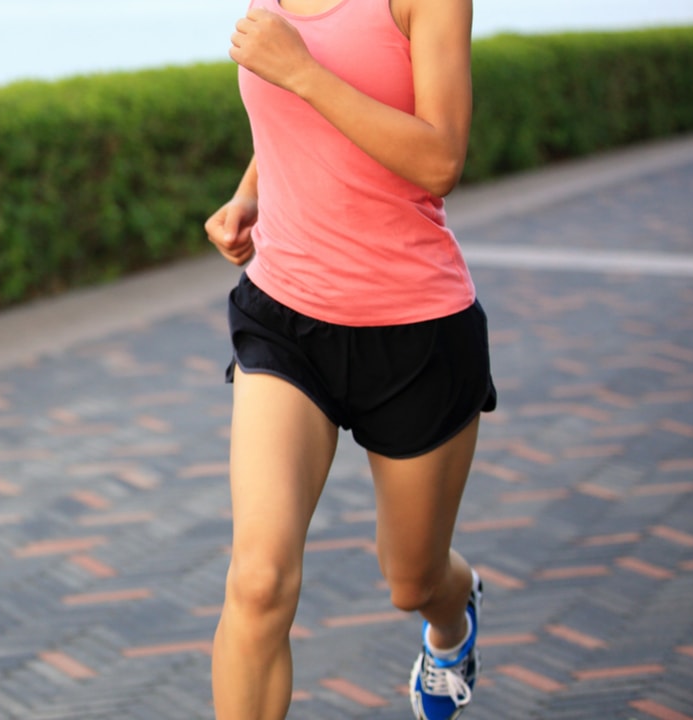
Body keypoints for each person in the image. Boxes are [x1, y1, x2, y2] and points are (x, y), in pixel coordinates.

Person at [203, 0, 495, 718]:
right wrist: (249, 195)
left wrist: (300, 69)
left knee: (414, 580)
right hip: (285, 317)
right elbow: (292, 115)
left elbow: (440, 158)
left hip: (416, 331)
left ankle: (452, 622)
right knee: (259, 581)